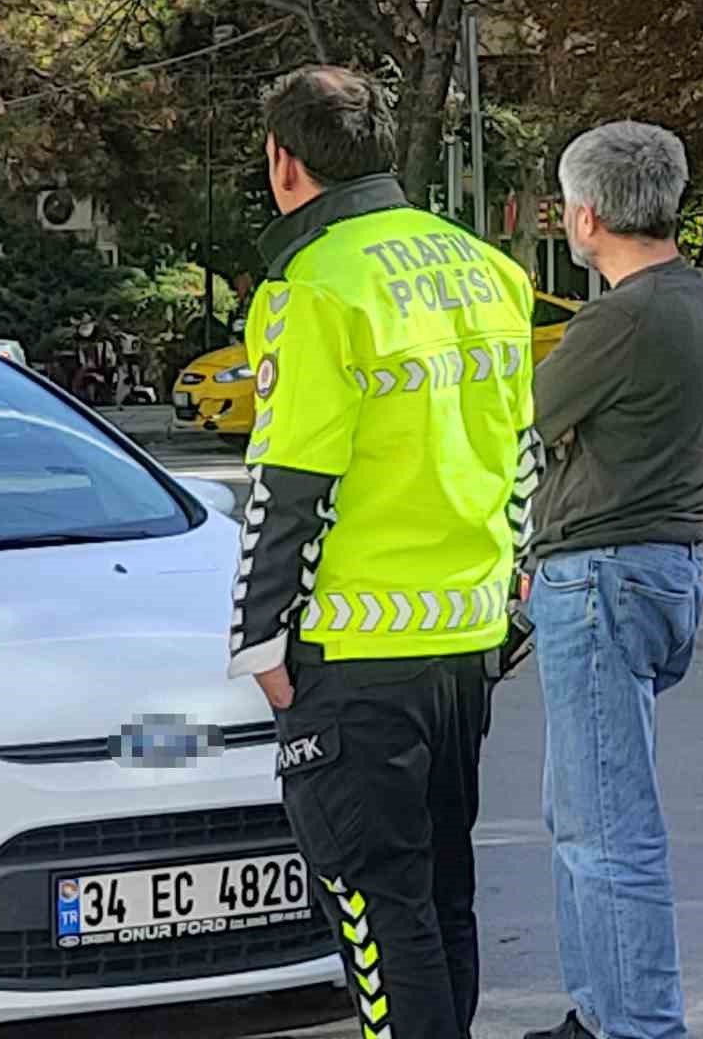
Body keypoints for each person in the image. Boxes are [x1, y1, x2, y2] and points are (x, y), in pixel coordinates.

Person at [228, 66, 535, 1039]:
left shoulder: (310, 289)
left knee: (375, 911)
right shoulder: (487, 270)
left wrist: (258, 649)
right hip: (463, 642)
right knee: (444, 900)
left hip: (355, 656)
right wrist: (508, 599)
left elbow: (288, 486)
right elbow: (518, 457)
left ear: (284, 162)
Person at [523, 123, 703, 1039]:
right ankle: (601, 1015)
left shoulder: (622, 315)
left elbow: (528, 418)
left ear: (587, 213)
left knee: (606, 833)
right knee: (582, 818)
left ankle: (638, 1027)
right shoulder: (702, 301)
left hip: (603, 575)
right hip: (660, 569)